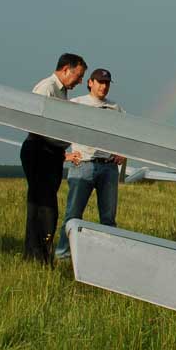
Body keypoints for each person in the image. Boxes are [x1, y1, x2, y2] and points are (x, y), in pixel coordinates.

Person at [20, 52, 86, 264]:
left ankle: (38, 255)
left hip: (51, 153)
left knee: (43, 204)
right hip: (40, 151)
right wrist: (64, 145)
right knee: (43, 207)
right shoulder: (47, 88)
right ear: (66, 69)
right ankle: (37, 256)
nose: (80, 81)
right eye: (78, 75)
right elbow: (36, 124)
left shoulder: (62, 92)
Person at [55, 68, 126, 260]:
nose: (104, 86)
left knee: (108, 219)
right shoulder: (76, 104)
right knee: (73, 215)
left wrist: (123, 153)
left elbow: (127, 134)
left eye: (107, 83)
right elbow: (57, 130)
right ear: (90, 83)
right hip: (83, 165)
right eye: (100, 82)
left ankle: (108, 257)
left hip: (109, 167)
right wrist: (64, 155)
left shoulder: (115, 108)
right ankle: (63, 255)